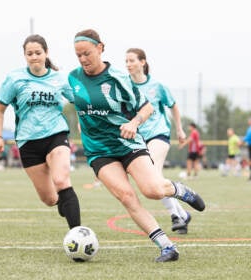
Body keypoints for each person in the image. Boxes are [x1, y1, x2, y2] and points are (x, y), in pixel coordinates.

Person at [69, 29, 205, 262]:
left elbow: (147, 108)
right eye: (78, 55)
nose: (82, 59)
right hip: (99, 151)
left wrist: (134, 122)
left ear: (100, 48)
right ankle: (167, 247)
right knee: (127, 196)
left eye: (87, 53)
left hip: (128, 144)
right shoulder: (73, 78)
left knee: (153, 190)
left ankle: (179, 190)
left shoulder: (119, 79)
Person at [0, 34, 81, 230]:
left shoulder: (60, 79)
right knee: (49, 199)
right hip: (28, 142)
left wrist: (83, 121)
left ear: (46, 53)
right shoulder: (15, 79)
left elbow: (79, 102)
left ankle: (77, 234)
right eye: (29, 53)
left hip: (56, 135)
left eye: (38, 53)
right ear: (24, 56)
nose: (34, 57)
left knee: (61, 179)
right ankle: (62, 201)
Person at [125, 48, 192, 234]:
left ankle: (176, 215)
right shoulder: (125, 86)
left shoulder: (157, 86)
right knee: (153, 180)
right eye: (127, 61)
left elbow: (173, 106)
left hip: (159, 135)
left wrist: (179, 129)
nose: (128, 64)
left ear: (143, 62)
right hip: (139, 139)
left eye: (132, 60)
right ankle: (183, 214)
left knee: (153, 173)